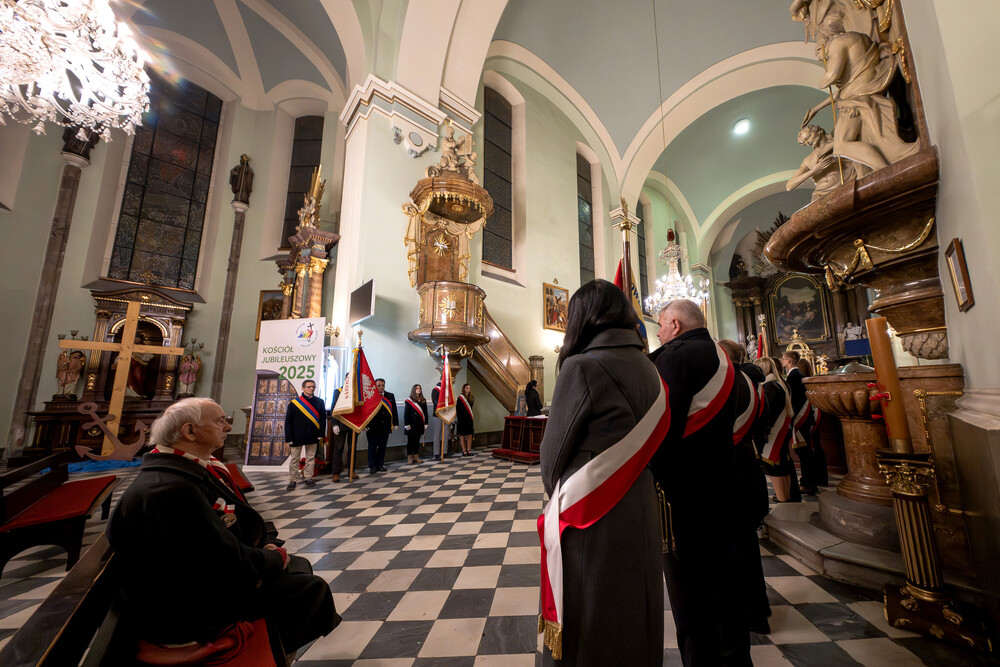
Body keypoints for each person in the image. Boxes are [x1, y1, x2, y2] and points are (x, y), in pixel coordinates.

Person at [108, 398, 339, 655]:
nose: (228, 427)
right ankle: (270, 655)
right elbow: (222, 559)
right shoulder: (169, 488)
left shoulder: (178, 471)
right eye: (220, 422)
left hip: (196, 583)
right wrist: (272, 557)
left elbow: (214, 540)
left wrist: (264, 545)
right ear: (189, 431)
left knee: (298, 568)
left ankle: (277, 650)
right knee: (310, 589)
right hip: (187, 612)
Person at [538, 279, 668, 665]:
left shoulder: (582, 366)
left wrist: (564, 493)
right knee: (635, 610)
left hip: (594, 516)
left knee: (593, 616)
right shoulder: (649, 366)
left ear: (581, 317)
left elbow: (552, 457)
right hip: (641, 505)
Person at [649, 299, 750, 666]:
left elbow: (662, 428)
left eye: (660, 325)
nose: (658, 333)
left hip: (684, 496)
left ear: (675, 324)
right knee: (724, 583)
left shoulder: (674, 357)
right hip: (723, 485)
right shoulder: (721, 357)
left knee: (691, 596)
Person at [719, 339, 772, 635]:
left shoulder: (730, 383)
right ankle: (757, 606)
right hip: (748, 464)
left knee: (739, 543)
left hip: (734, 467)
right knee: (746, 543)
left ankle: (750, 611)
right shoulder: (753, 383)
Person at [756, 356, 800, 503]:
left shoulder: (770, 387)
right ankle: (785, 497)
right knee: (782, 466)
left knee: (773, 466)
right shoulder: (780, 384)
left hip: (773, 432)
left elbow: (768, 413)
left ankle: (783, 499)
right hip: (782, 430)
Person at [284, 379, 325, 491]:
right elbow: (288, 421)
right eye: (309, 387)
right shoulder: (294, 403)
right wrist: (289, 437)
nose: (311, 389)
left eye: (313, 387)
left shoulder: (319, 402)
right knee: (294, 459)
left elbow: (322, 420)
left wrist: (321, 434)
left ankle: (308, 477)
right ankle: (292, 480)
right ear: (303, 388)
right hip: (296, 436)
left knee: (310, 458)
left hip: (312, 435)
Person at [366, 378, 397, 474]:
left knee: (382, 447)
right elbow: (366, 412)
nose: (381, 387)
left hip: (385, 426)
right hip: (372, 427)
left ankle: (380, 464)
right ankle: (372, 466)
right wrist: (366, 425)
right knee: (372, 447)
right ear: (375, 386)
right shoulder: (370, 396)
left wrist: (395, 423)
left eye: (383, 385)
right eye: (379, 385)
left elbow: (394, 410)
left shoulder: (390, 396)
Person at [403, 384, 427, 465]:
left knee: (417, 441)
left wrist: (426, 422)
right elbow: (406, 413)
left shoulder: (423, 400)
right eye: (417, 388)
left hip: (419, 425)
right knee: (410, 441)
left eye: (420, 388)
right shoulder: (409, 401)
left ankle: (416, 457)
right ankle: (409, 457)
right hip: (411, 425)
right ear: (414, 390)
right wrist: (407, 424)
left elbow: (425, 413)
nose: (419, 390)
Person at [457, 383, 475, 456]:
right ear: (464, 389)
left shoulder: (471, 398)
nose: (468, 389)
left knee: (469, 434)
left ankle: (469, 450)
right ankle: (464, 450)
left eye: (469, 388)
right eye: (467, 388)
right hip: (462, 419)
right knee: (462, 435)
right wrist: (460, 419)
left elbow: (471, 409)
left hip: (469, 419)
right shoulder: (460, 398)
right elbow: (458, 410)